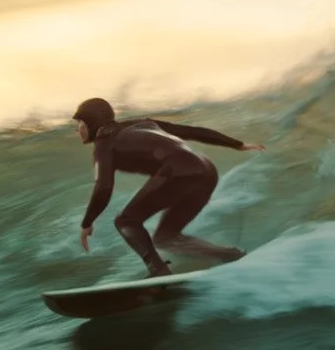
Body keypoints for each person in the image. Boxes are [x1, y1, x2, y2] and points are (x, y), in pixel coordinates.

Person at [71, 97, 265, 277]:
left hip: (178, 172)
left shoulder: (104, 145)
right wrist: (238, 144)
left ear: (91, 123)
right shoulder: (143, 123)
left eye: (80, 124)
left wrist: (87, 222)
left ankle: (158, 271)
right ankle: (231, 254)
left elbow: (104, 187)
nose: (77, 130)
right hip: (206, 171)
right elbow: (191, 132)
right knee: (165, 237)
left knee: (126, 221)